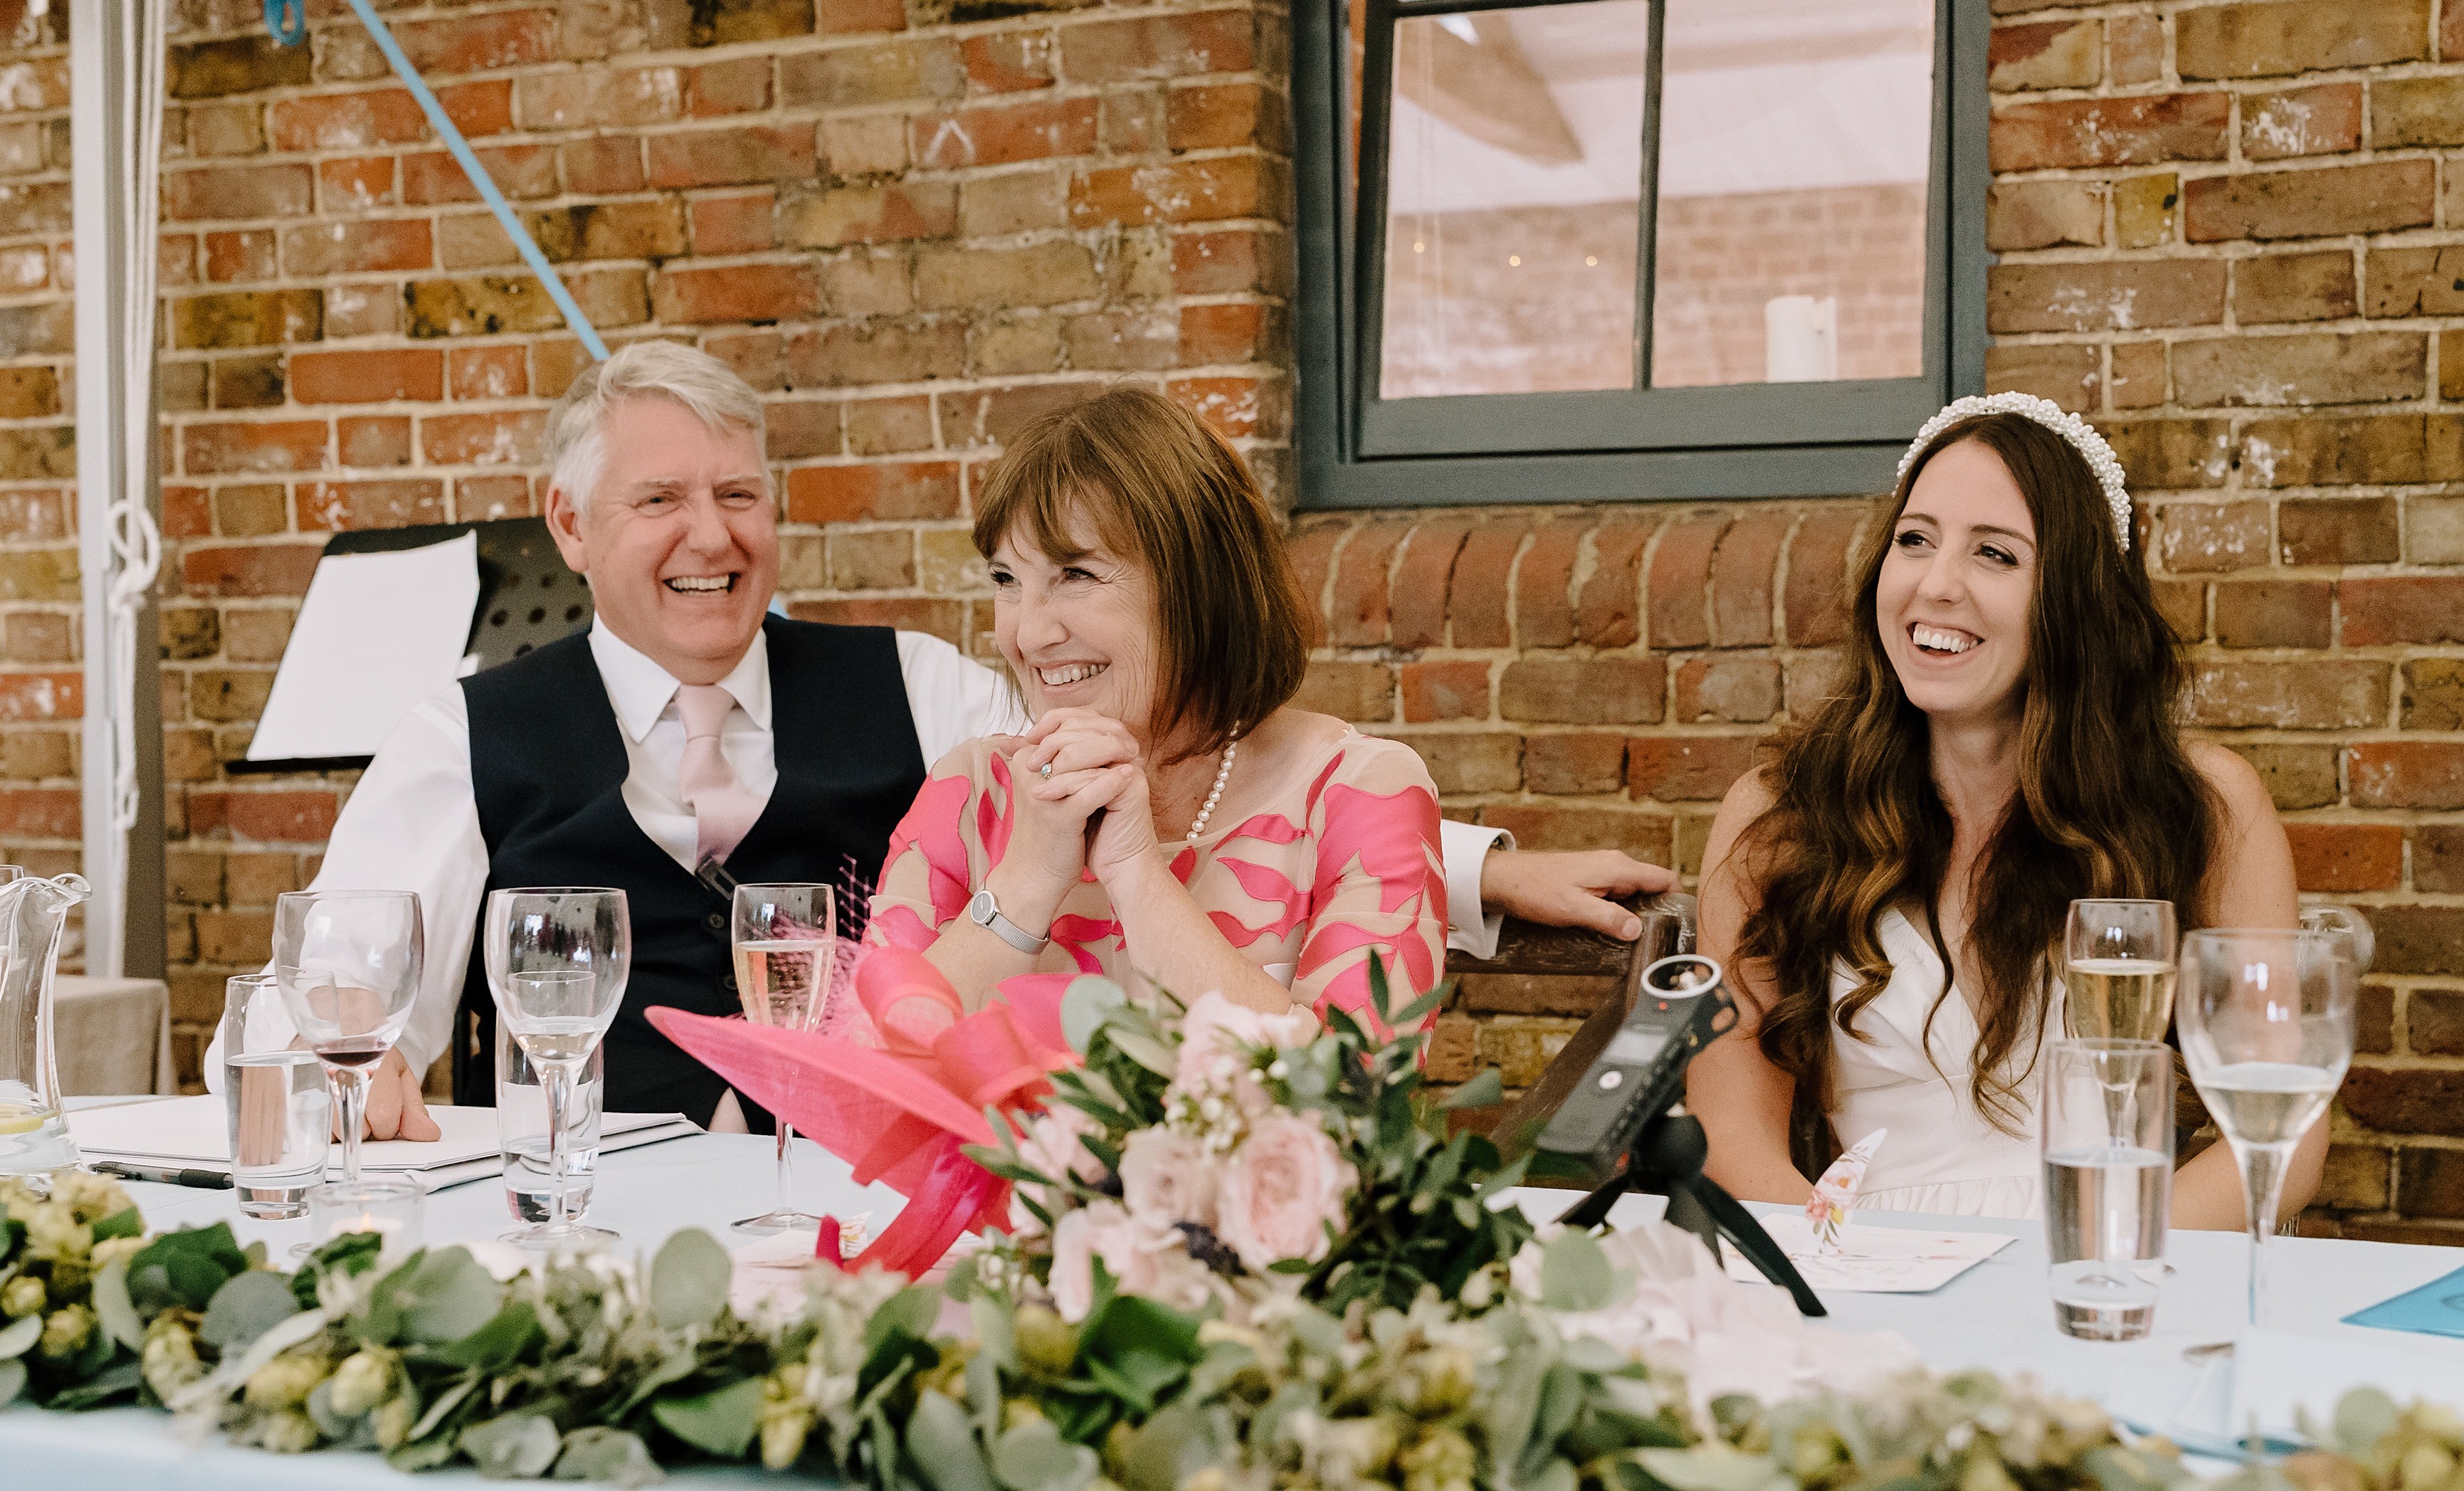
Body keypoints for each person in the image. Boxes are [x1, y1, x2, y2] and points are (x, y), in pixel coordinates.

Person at [203, 342, 1675, 1133]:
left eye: (742, 494)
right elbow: (330, 983)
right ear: (572, 527)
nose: (712, 536)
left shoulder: (917, 687)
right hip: (605, 1192)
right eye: (661, 501)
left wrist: (1481, 865)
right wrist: (349, 1069)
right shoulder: (461, 733)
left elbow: (1173, 765)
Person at [1685, 394, 2313, 1229]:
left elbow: (2280, 1141)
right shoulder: (1780, 816)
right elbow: (1731, 1137)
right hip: (1867, 1274)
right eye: (1913, 539)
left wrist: (2094, 1261)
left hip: (2111, 1260)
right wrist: (1849, 1277)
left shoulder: (2201, 804)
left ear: (2075, 600)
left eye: (1994, 554)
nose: (1935, 583)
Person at [867, 389, 1440, 1032]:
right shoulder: (972, 793)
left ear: (1200, 584)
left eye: (1075, 574)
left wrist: (1138, 876)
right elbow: (861, 1079)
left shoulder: (1356, 794)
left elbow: (1357, 1099)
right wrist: (1025, 880)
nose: (1028, 635)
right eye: (1007, 581)